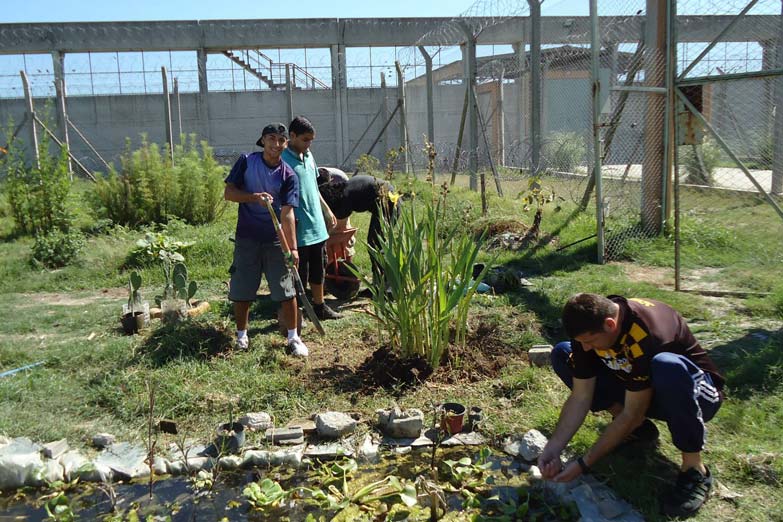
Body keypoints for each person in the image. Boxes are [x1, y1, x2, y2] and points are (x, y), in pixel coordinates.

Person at [539, 293, 724, 518]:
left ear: (610, 325)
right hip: (641, 383)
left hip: (697, 394)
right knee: (563, 353)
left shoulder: (646, 335)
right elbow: (581, 396)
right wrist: (553, 448)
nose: (586, 348)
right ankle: (639, 432)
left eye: (589, 341)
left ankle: (694, 469)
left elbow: (632, 413)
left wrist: (583, 464)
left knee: (666, 366)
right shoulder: (594, 323)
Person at [224, 122, 308, 357]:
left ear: (286, 144)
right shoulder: (246, 161)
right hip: (247, 238)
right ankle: (241, 336)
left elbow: (288, 212)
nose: (276, 144)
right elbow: (229, 193)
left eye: (281, 140)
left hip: (274, 240)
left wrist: (292, 248)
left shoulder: (288, 175)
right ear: (263, 141)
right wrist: (254, 198)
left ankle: (293, 338)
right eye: (271, 138)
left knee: (286, 290)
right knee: (242, 289)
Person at [281, 116, 341, 320]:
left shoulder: (308, 156)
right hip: (298, 227)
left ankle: (319, 306)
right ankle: (298, 312)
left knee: (318, 268)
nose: (309, 144)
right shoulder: (282, 160)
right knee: (300, 273)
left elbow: (314, 188)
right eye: (305, 140)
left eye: (311, 140)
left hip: (316, 225)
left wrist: (326, 211)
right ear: (292, 136)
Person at [317, 168, 400, 280]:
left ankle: (384, 285)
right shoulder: (345, 188)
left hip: (388, 202)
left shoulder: (345, 197)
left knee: (376, 244)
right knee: (376, 243)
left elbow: (339, 218)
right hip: (386, 198)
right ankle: (379, 283)